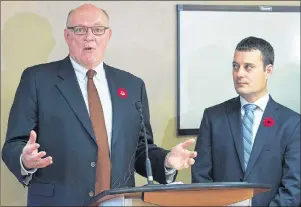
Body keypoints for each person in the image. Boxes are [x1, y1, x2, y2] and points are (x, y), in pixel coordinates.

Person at [2, 4, 197, 206]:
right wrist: (24, 160)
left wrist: (166, 161)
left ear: (108, 35)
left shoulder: (132, 85)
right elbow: (13, 145)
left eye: (97, 29)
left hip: (117, 201)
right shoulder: (37, 79)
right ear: (67, 36)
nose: (89, 36)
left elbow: (140, 150)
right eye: (80, 30)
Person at [191, 36, 300, 206]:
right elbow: (201, 177)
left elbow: (293, 186)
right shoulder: (213, 117)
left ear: (268, 71)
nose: (239, 73)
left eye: (248, 67)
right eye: (235, 66)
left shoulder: (292, 123)